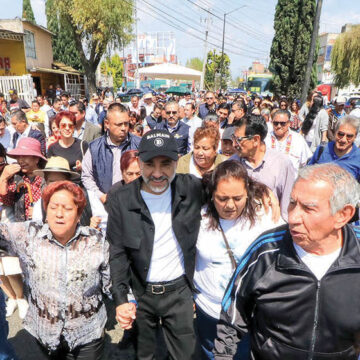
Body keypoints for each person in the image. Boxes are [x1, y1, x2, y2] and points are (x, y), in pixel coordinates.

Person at [214, 163, 360, 359]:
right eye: (292, 203)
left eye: (308, 208)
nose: (292, 217)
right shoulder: (265, 251)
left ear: (343, 214)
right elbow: (232, 314)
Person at [106, 129, 203, 360]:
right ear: (139, 162)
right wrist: (121, 300)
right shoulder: (121, 199)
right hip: (142, 293)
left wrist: (264, 193)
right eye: (150, 164)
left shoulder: (192, 188)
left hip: (179, 292)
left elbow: (228, 187)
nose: (158, 173)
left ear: (177, 162)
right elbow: (117, 253)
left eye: (166, 164)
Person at [0, 180, 111, 360]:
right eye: (53, 207)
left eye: (67, 209)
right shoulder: (29, 235)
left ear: (78, 214)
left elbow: (110, 282)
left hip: (87, 332)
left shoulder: (95, 241)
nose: (59, 214)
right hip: (44, 332)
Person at [194, 160, 283, 359]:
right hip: (209, 311)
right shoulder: (199, 217)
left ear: (249, 193)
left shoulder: (266, 216)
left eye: (237, 198)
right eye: (222, 198)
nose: (230, 205)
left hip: (248, 315)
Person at [230, 115, 296, 220]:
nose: (234, 144)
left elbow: (287, 209)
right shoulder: (231, 164)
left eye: (238, 140)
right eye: (233, 138)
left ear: (256, 140)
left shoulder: (282, 164)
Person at [81, 103, 140, 204]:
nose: (123, 128)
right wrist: (100, 196)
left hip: (135, 202)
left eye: (126, 124)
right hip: (104, 205)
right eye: (118, 124)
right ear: (107, 124)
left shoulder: (140, 145)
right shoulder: (94, 147)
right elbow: (86, 176)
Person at [0, 137, 46, 221]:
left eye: (25, 156)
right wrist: (3, 178)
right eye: (18, 157)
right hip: (21, 227)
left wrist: (37, 211)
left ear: (36, 159)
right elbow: (7, 200)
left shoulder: (46, 178)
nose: (20, 161)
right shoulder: (16, 177)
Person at [308, 115, 360, 181]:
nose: (343, 140)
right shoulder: (321, 150)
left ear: (355, 137)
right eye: (340, 134)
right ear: (335, 132)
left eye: (349, 136)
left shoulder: (358, 157)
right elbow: (308, 174)